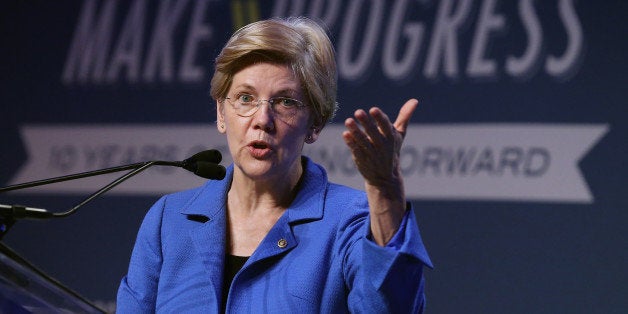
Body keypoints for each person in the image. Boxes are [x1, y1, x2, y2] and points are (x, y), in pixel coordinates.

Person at [116, 16, 432, 313]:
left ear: (315, 123)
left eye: (285, 102)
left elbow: (391, 307)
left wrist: (385, 189)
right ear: (220, 114)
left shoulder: (351, 221)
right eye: (245, 98)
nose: (262, 120)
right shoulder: (168, 222)